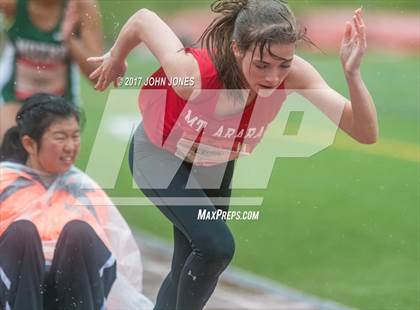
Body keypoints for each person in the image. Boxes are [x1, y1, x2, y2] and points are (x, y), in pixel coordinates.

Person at [88, 0, 379, 309]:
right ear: (237, 49)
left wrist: (353, 75)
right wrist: (117, 58)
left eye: (284, 64)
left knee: (189, 264)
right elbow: (144, 19)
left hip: (215, 166)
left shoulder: (295, 76)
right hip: (160, 156)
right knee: (216, 248)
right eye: (262, 65)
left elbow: (364, 132)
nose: (273, 77)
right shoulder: (193, 75)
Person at [0, 93, 153, 310]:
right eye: (60, 137)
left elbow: (120, 262)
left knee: (79, 232)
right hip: (16, 296)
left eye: (75, 136)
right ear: (29, 144)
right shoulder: (4, 183)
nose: (70, 146)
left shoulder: (84, 189)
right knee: (22, 233)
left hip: (73, 297)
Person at [0, 0, 103, 143]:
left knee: (53, 153)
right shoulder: (12, 3)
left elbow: (98, 76)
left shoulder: (81, 6)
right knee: (12, 149)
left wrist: (70, 40)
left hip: (61, 105)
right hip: (14, 99)